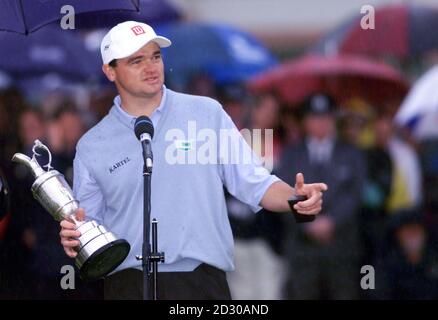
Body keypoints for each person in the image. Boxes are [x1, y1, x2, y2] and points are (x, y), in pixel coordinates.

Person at [59, 21, 327, 300]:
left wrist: (296, 198)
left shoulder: (207, 113)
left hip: (201, 283)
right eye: (136, 60)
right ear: (110, 71)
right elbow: (89, 224)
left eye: (155, 56)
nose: (151, 67)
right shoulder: (92, 145)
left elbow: (254, 183)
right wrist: (75, 235)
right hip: (127, 284)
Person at [278, 94, 366, 299]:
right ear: (305, 121)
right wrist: (308, 224)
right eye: (315, 117)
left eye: (325, 117)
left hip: (341, 247)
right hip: (302, 249)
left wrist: (331, 221)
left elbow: (354, 194)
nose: (320, 123)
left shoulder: (351, 153)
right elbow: (282, 192)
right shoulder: (291, 154)